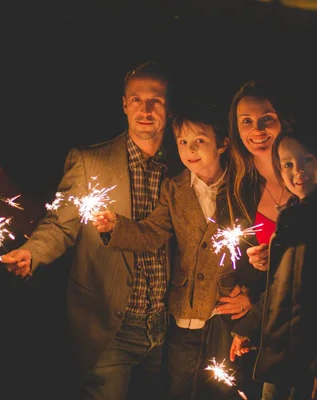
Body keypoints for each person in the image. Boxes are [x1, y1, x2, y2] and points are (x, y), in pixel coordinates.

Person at [0, 60, 183, 400]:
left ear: (169, 106)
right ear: (124, 104)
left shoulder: (185, 163)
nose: (145, 109)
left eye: (155, 99)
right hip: (108, 327)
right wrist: (32, 253)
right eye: (136, 99)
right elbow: (60, 225)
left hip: (169, 328)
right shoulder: (90, 162)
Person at [92, 100, 260, 400]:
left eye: (199, 141)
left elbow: (254, 245)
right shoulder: (173, 189)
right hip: (185, 314)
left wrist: (250, 292)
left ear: (222, 143)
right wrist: (115, 227)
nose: (190, 149)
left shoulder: (241, 186)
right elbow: (153, 232)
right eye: (183, 142)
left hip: (225, 313)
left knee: (224, 388)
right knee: (179, 388)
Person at [229, 126, 317, 400]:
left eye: (307, 159)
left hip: (314, 371)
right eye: (287, 164)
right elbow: (279, 290)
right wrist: (248, 329)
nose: (298, 170)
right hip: (281, 364)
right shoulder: (291, 219)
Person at [221, 79, 297, 398]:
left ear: (284, 121)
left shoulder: (305, 174)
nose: (258, 129)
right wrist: (252, 280)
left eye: (267, 118)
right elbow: (234, 260)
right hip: (269, 326)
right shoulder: (239, 189)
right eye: (247, 121)